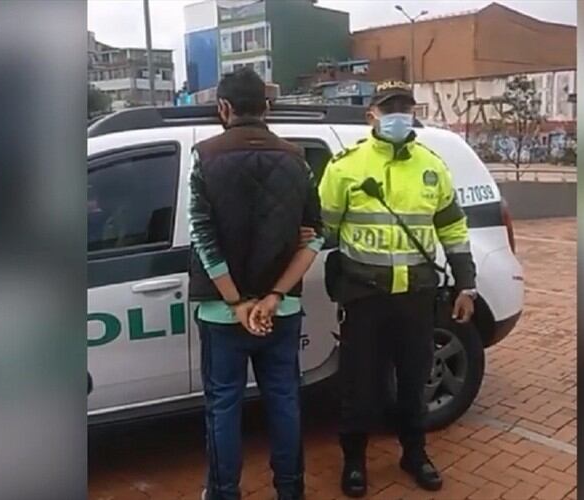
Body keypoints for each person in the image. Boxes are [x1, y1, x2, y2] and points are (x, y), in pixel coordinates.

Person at [318, 80, 478, 497]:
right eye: (389, 107)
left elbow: (453, 229)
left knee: (413, 381)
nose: (398, 115)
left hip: (418, 296)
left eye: (404, 107)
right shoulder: (344, 166)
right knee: (359, 386)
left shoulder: (431, 165)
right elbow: (325, 229)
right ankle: (354, 460)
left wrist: (467, 284)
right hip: (364, 295)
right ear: (371, 113)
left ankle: (414, 452)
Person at [189, 68, 323, 500]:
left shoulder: (205, 155)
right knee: (284, 402)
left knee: (223, 407)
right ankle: (291, 491)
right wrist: (273, 297)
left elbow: (203, 238)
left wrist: (238, 304)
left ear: (222, 108)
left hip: (223, 314)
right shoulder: (297, 158)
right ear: (267, 107)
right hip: (280, 311)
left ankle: (224, 492)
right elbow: (315, 236)